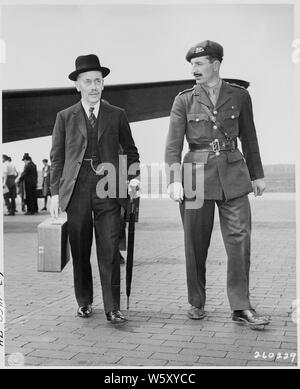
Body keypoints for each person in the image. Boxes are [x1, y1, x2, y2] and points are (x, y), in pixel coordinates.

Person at [165, 40, 270, 327]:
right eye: (192, 65)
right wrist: (174, 179)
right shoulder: (184, 100)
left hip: (234, 176)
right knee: (195, 244)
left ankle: (240, 307)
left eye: (199, 64)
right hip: (194, 178)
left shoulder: (239, 96)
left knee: (240, 241)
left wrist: (256, 174)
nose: (193, 70)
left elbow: (249, 137)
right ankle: (196, 302)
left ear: (215, 64)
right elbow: (173, 145)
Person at [50, 54, 140, 324]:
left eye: (98, 81)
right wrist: (55, 193)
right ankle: (85, 302)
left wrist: (133, 179)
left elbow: (132, 152)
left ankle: (113, 308)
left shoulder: (117, 115)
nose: (93, 86)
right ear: (77, 85)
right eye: (87, 81)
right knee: (79, 250)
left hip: (109, 189)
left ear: (103, 85)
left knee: (110, 250)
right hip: (76, 191)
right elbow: (57, 158)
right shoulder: (64, 117)